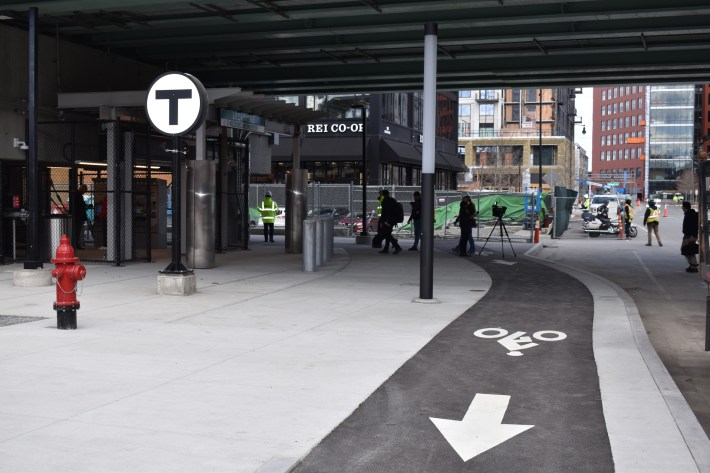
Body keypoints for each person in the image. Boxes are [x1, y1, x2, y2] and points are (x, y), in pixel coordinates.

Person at [378, 189, 402, 254]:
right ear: (388, 194)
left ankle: (397, 246)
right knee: (387, 233)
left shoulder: (385, 201)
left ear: (383, 195)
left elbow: (384, 213)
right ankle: (386, 248)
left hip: (387, 221)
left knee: (387, 234)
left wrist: (382, 221)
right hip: (393, 220)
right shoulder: (393, 200)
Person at [681, 201, 699, 272]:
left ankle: (694, 267)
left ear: (685, 207)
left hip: (690, 236)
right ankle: (692, 265)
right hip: (687, 235)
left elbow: (692, 226)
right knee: (686, 250)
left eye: (682, 206)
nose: (682, 208)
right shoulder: (688, 214)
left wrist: (692, 236)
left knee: (689, 251)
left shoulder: (690, 215)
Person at [73, 184, 89, 249]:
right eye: (85, 191)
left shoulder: (76, 194)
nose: (84, 192)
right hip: (79, 216)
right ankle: (76, 244)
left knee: (77, 230)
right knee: (77, 230)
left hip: (77, 215)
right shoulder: (79, 195)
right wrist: (85, 206)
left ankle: (76, 244)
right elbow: (80, 205)